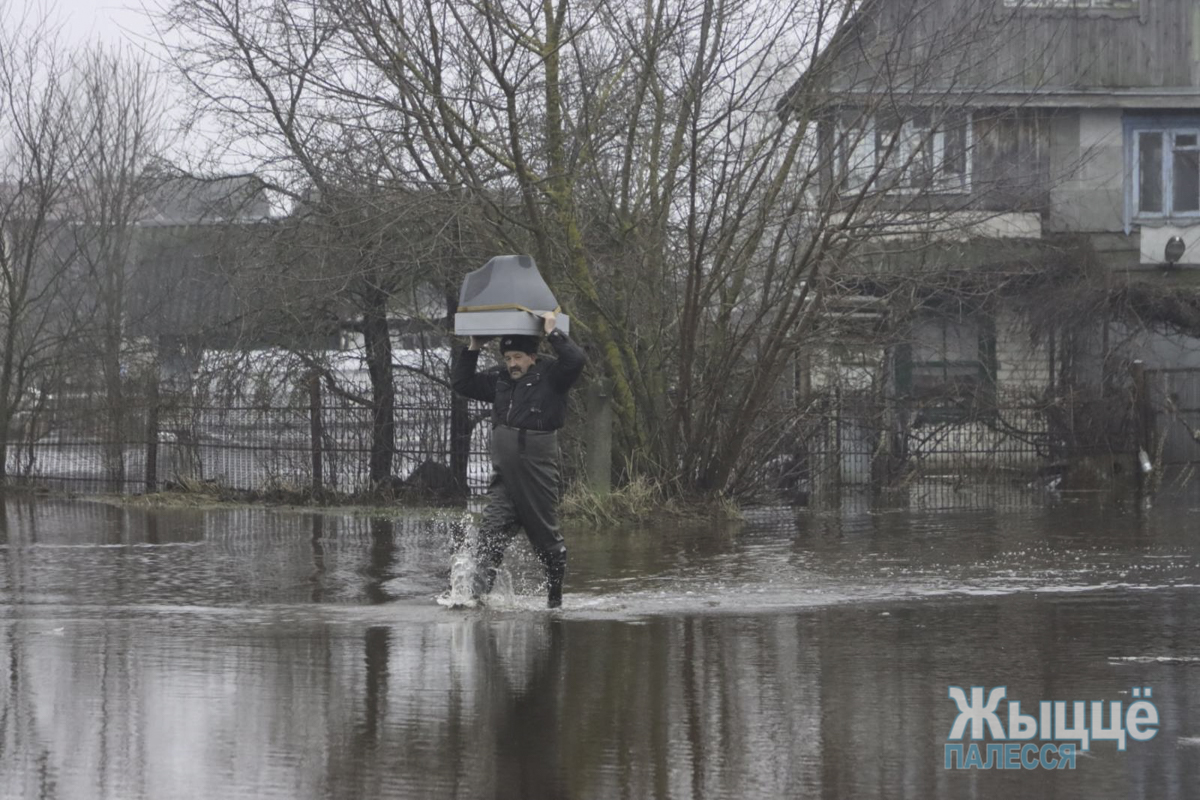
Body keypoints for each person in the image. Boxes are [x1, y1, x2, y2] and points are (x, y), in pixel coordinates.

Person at [451, 311, 586, 607]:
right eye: (508, 357)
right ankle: (477, 599)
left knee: (548, 545)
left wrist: (553, 332)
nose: (512, 364)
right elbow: (462, 384)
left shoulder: (552, 377)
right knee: (489, 536)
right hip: (505, 480)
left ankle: (555, 601)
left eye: (518, 357)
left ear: (532, 357)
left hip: (537, 475)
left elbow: (576, 361)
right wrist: (473, 347)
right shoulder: (500, 380)